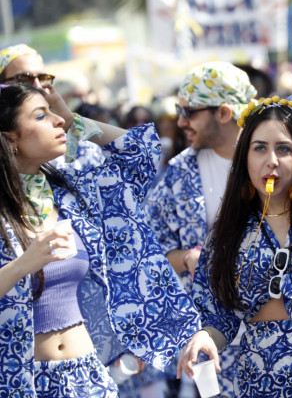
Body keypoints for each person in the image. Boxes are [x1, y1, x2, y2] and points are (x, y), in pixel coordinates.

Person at [0, 83, 203, 396]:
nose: (56, 121)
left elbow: (140, 153)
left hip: (87, 376)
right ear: (10, 138)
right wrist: (23, 265)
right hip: (20, 382)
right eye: (41, 116)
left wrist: (72, 119)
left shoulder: (70, 190)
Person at [177, 98, 292, 396]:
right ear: (244, 156)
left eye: (284, 149)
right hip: (260, 379)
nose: (271, 159)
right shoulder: (227, 233)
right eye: (259, 148)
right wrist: (203, 338)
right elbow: (219, 316)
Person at [145, 62, 256, 397]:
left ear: (223, 112)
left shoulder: (275, 161)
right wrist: (190, 258)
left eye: (188, 111)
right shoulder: (178, 173)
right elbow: (150, 251)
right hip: (211, 337)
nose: (180, 122)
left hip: (276, 331)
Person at [0, 43, 105, 170]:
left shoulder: (71, 153)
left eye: (43, 78)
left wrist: (72, 122)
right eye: (23, 78)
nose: (37, 86)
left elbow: (133, 151)